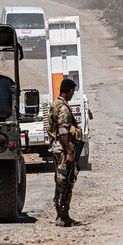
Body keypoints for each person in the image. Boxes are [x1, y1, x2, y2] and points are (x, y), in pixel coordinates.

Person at [48, 78, 84, 226]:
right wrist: (69, 153)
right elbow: (63, 133)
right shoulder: (63, 108)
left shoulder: (56, 105)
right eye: (72, 92)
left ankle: (61, 214)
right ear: (69, 91)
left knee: (60, 181)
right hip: (63, 149)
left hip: (58, 148)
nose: (72, 95)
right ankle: (63, 216)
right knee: (66, 181)